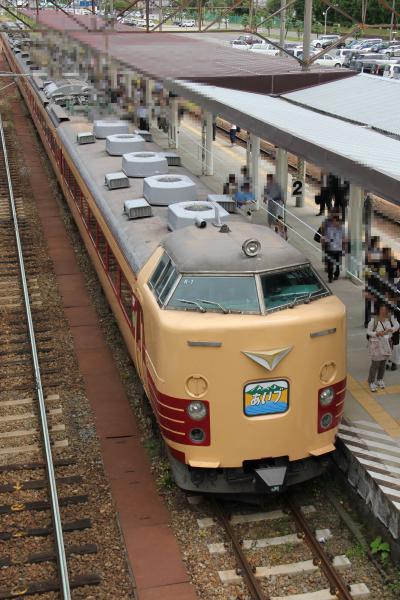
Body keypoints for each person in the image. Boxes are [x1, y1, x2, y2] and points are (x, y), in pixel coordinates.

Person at [367, 304, 399, 392]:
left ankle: (380, 379)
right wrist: (376, 333)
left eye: (385, 311)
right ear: (379, 311)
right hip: (376, 345)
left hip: (385, 344)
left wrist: (390, 330)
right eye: (382, 310)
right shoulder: (373, 321)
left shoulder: (388, 321)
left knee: (383, 363)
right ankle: (371, 381)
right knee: (375, 364)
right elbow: (368, 332)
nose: (384, 312)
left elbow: (394, 328)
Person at [321, 211, 345, 283]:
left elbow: (344, 239)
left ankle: (336, 274)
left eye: (334, 221)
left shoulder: (342, 229)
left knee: (337, 263)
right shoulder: (329, 228)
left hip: (338, 249)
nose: (333, 223)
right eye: (333, 221)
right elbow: (326, 237)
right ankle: (330, 277)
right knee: (330, 263)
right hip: (330, 248)